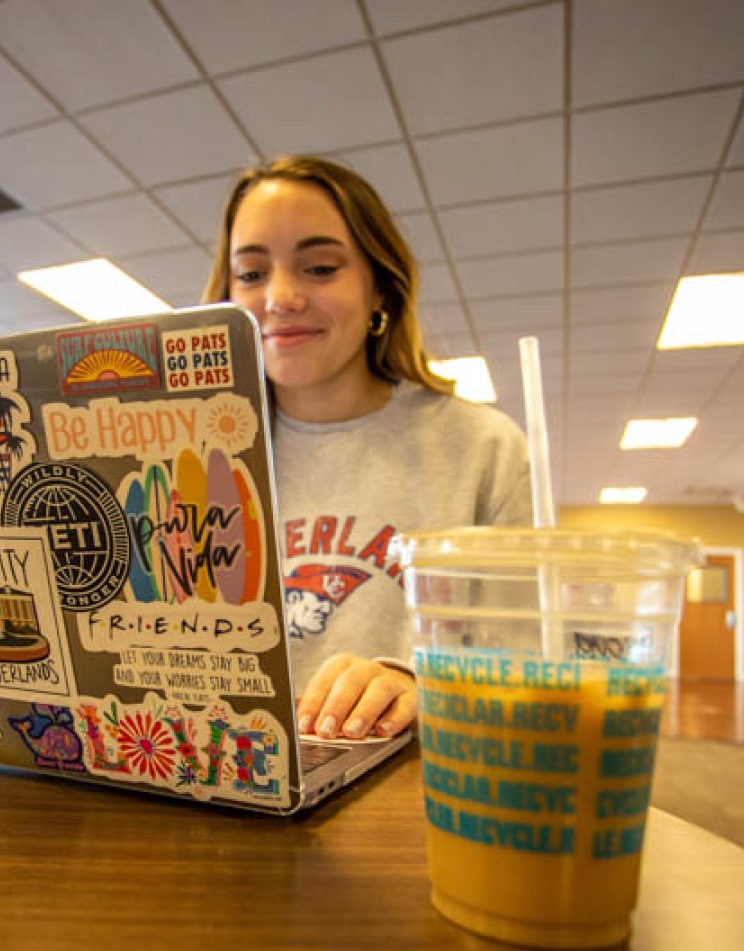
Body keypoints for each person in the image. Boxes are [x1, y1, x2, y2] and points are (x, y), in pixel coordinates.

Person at [203, 155, 533, 742]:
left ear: (379, 287)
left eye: (321, 267)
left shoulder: (483, 450)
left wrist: (415, 686)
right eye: (251, 275)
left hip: (417, 794)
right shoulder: (196, 457)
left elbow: (527, 669)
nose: (280, 297)